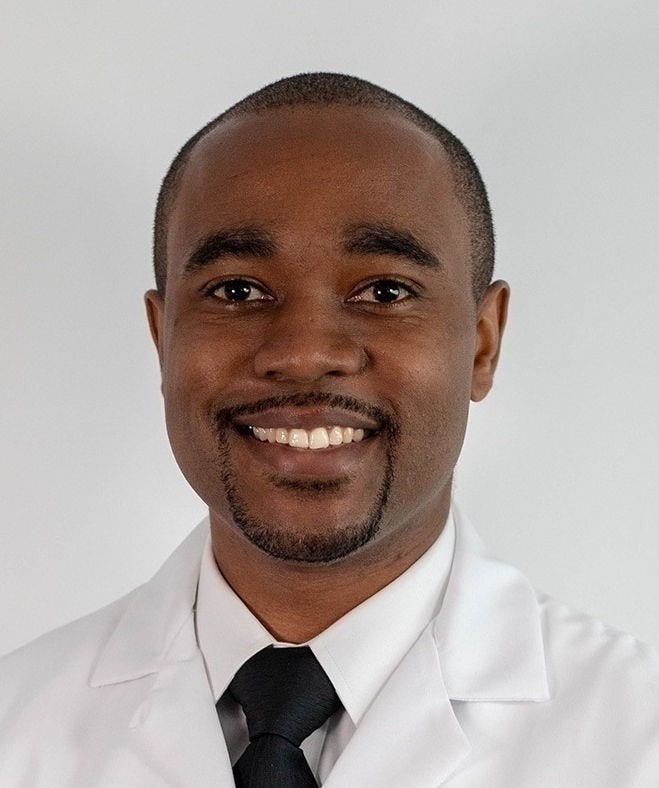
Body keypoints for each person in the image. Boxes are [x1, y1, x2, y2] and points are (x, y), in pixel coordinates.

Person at [1, 72, 657, 787]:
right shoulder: (18, 723)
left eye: (383, 291)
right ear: (163, 340)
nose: (304, 351)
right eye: (237, 291)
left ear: (480, 343)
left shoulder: (634, 737)